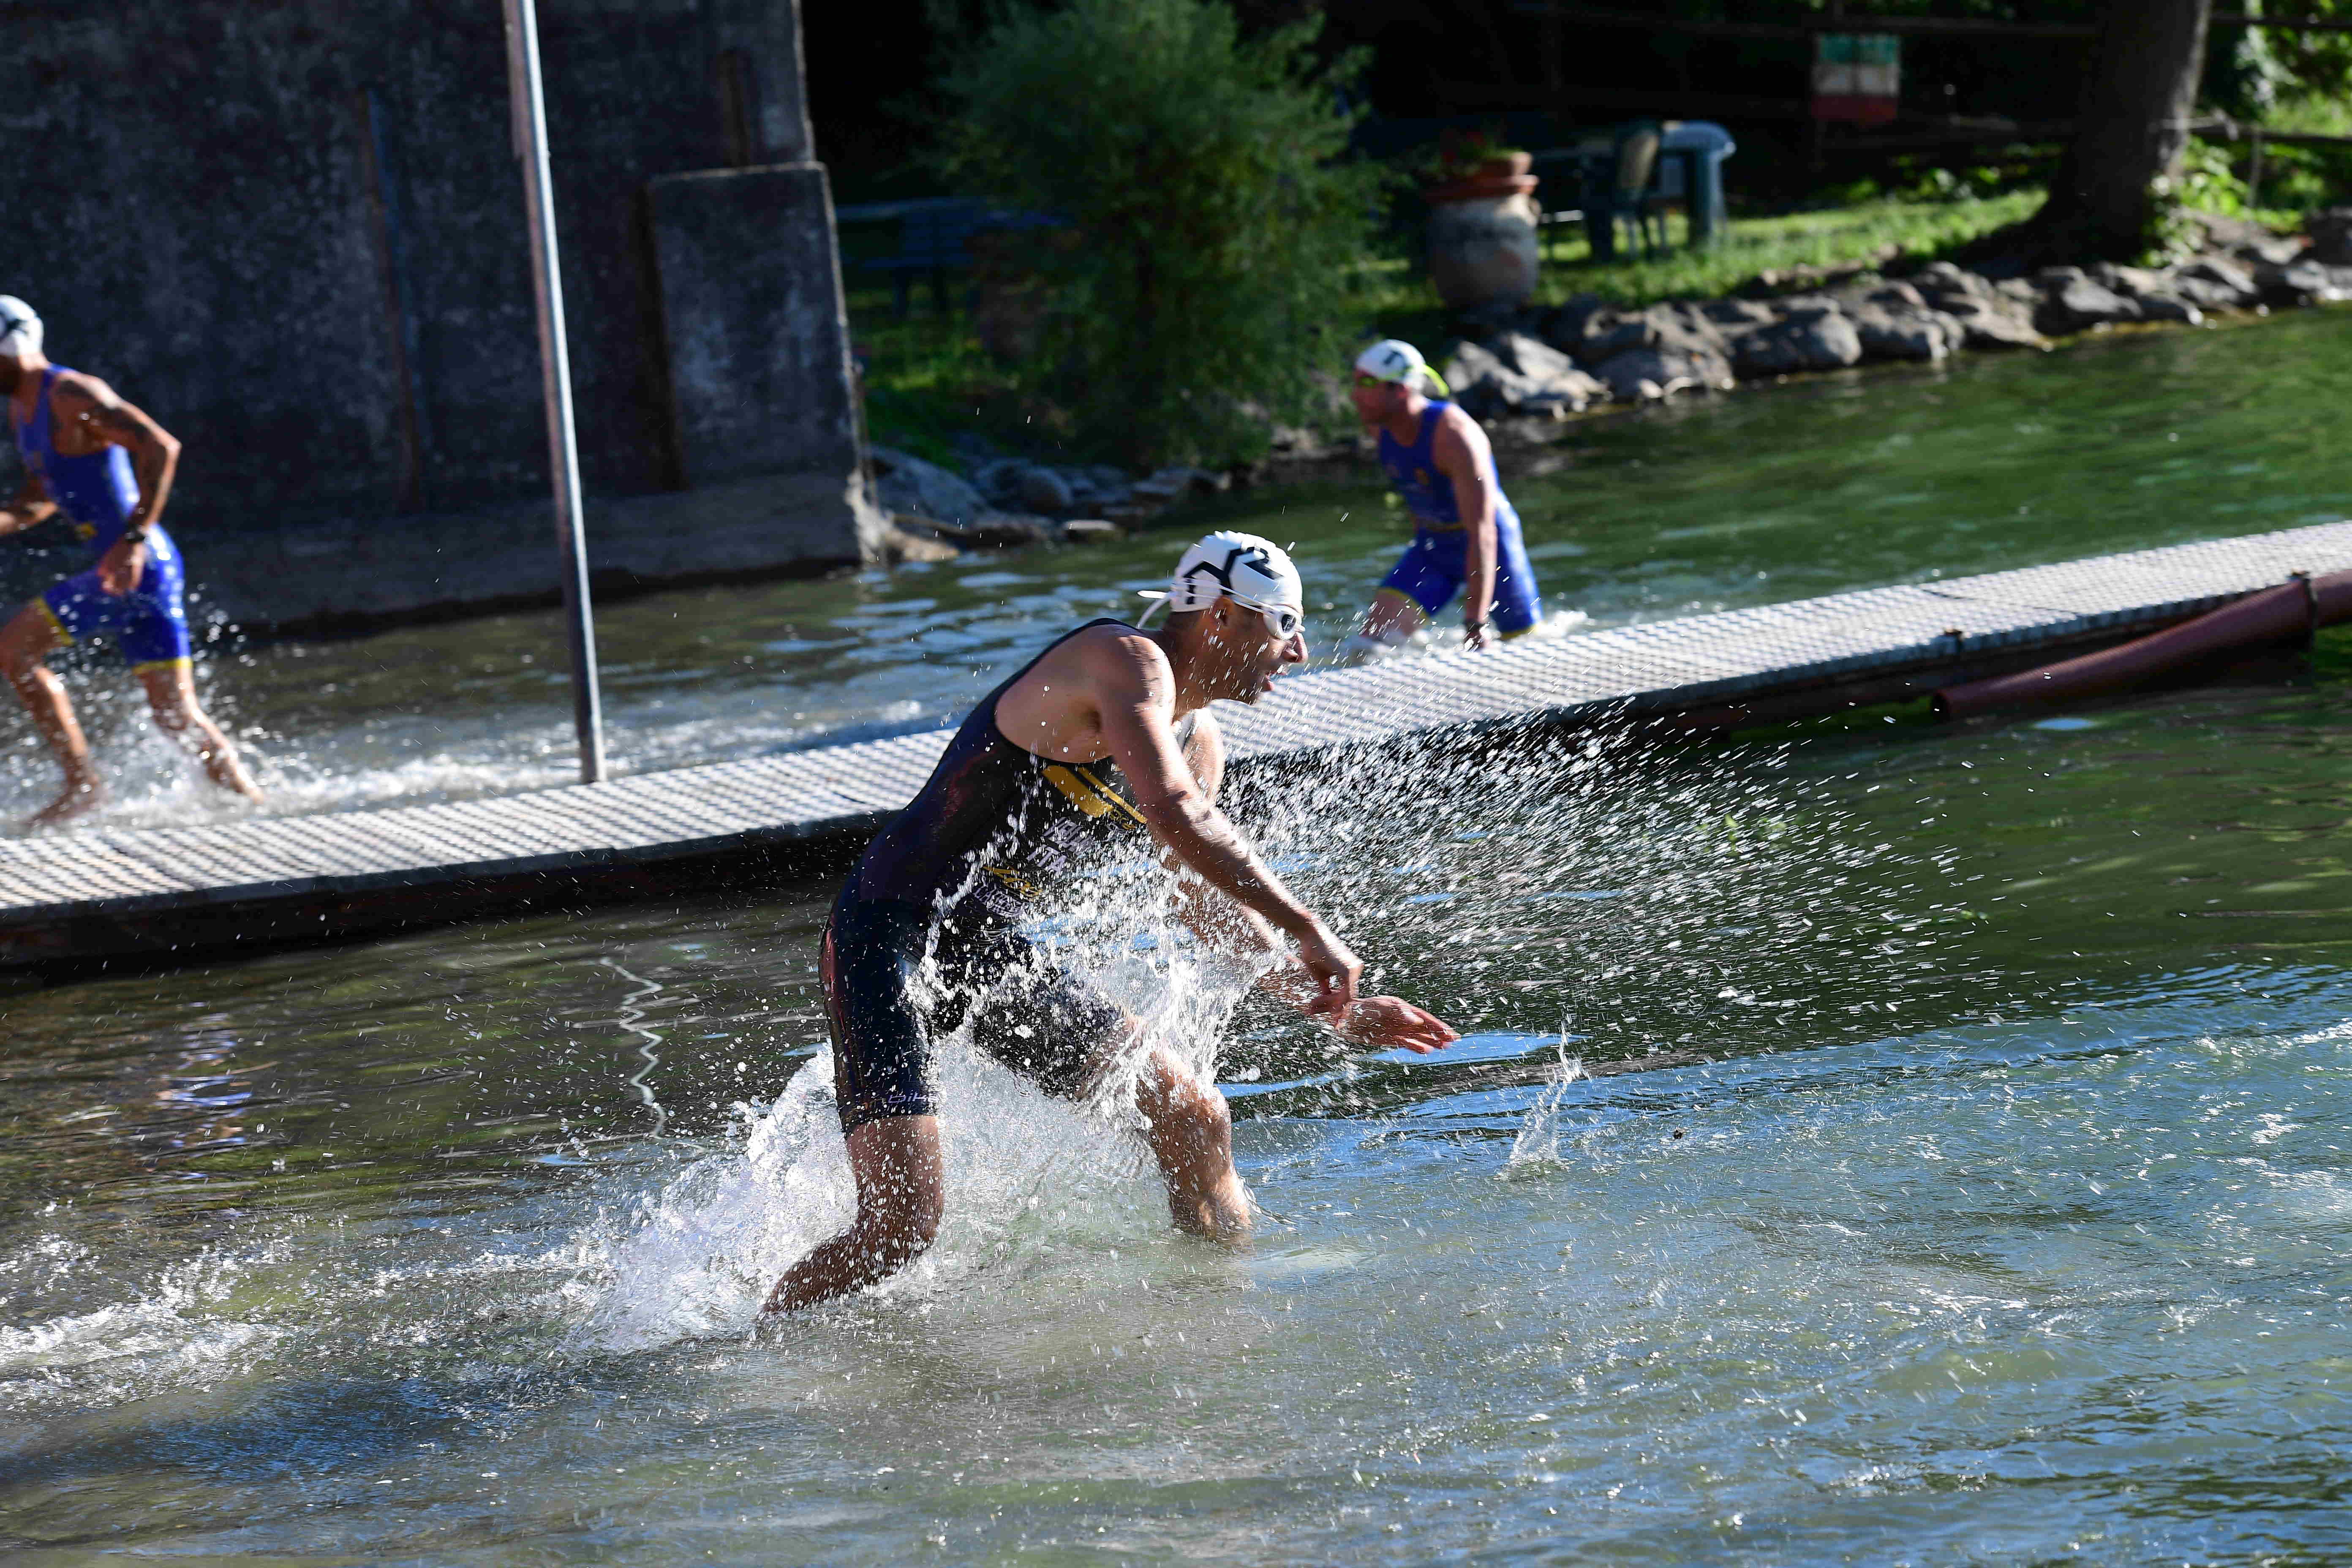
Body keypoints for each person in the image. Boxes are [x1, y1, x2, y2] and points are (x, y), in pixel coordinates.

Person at [766, 531, 1459, 1313]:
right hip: (887, 933)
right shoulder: (1121, 659)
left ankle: (1218, 1321)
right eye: (1284, 625)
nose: (1296, 652)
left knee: (1193, 1118)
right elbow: (1174, 812)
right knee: (901, 1227)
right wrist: (1306, 923)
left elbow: (1197, 901)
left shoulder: (1200, 740)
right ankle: (752, 1351)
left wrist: (1330, 1006)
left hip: (987, 955)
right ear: (1223, 618)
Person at [0, 297, 260, 826]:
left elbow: (161, 446)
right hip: (137, 569)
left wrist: (133, 538)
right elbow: (39, 497)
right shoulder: (22, 410)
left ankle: (83, 786)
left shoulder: (70, 394)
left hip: (134, 567)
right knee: (176, 715)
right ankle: (253, 807)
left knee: (14, 650)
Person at [1347, 338, 1546, 656]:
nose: (1354, 394)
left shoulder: (1456, 437)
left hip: (1492, 549)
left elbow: (1482, 533)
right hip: (1433, 548)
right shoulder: (1380, 426)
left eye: (1367, 383)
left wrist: (1475, 623)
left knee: (1526, 652)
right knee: (1367, 648)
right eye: (1356, 381)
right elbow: (1419, 489)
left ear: (1399, 390)